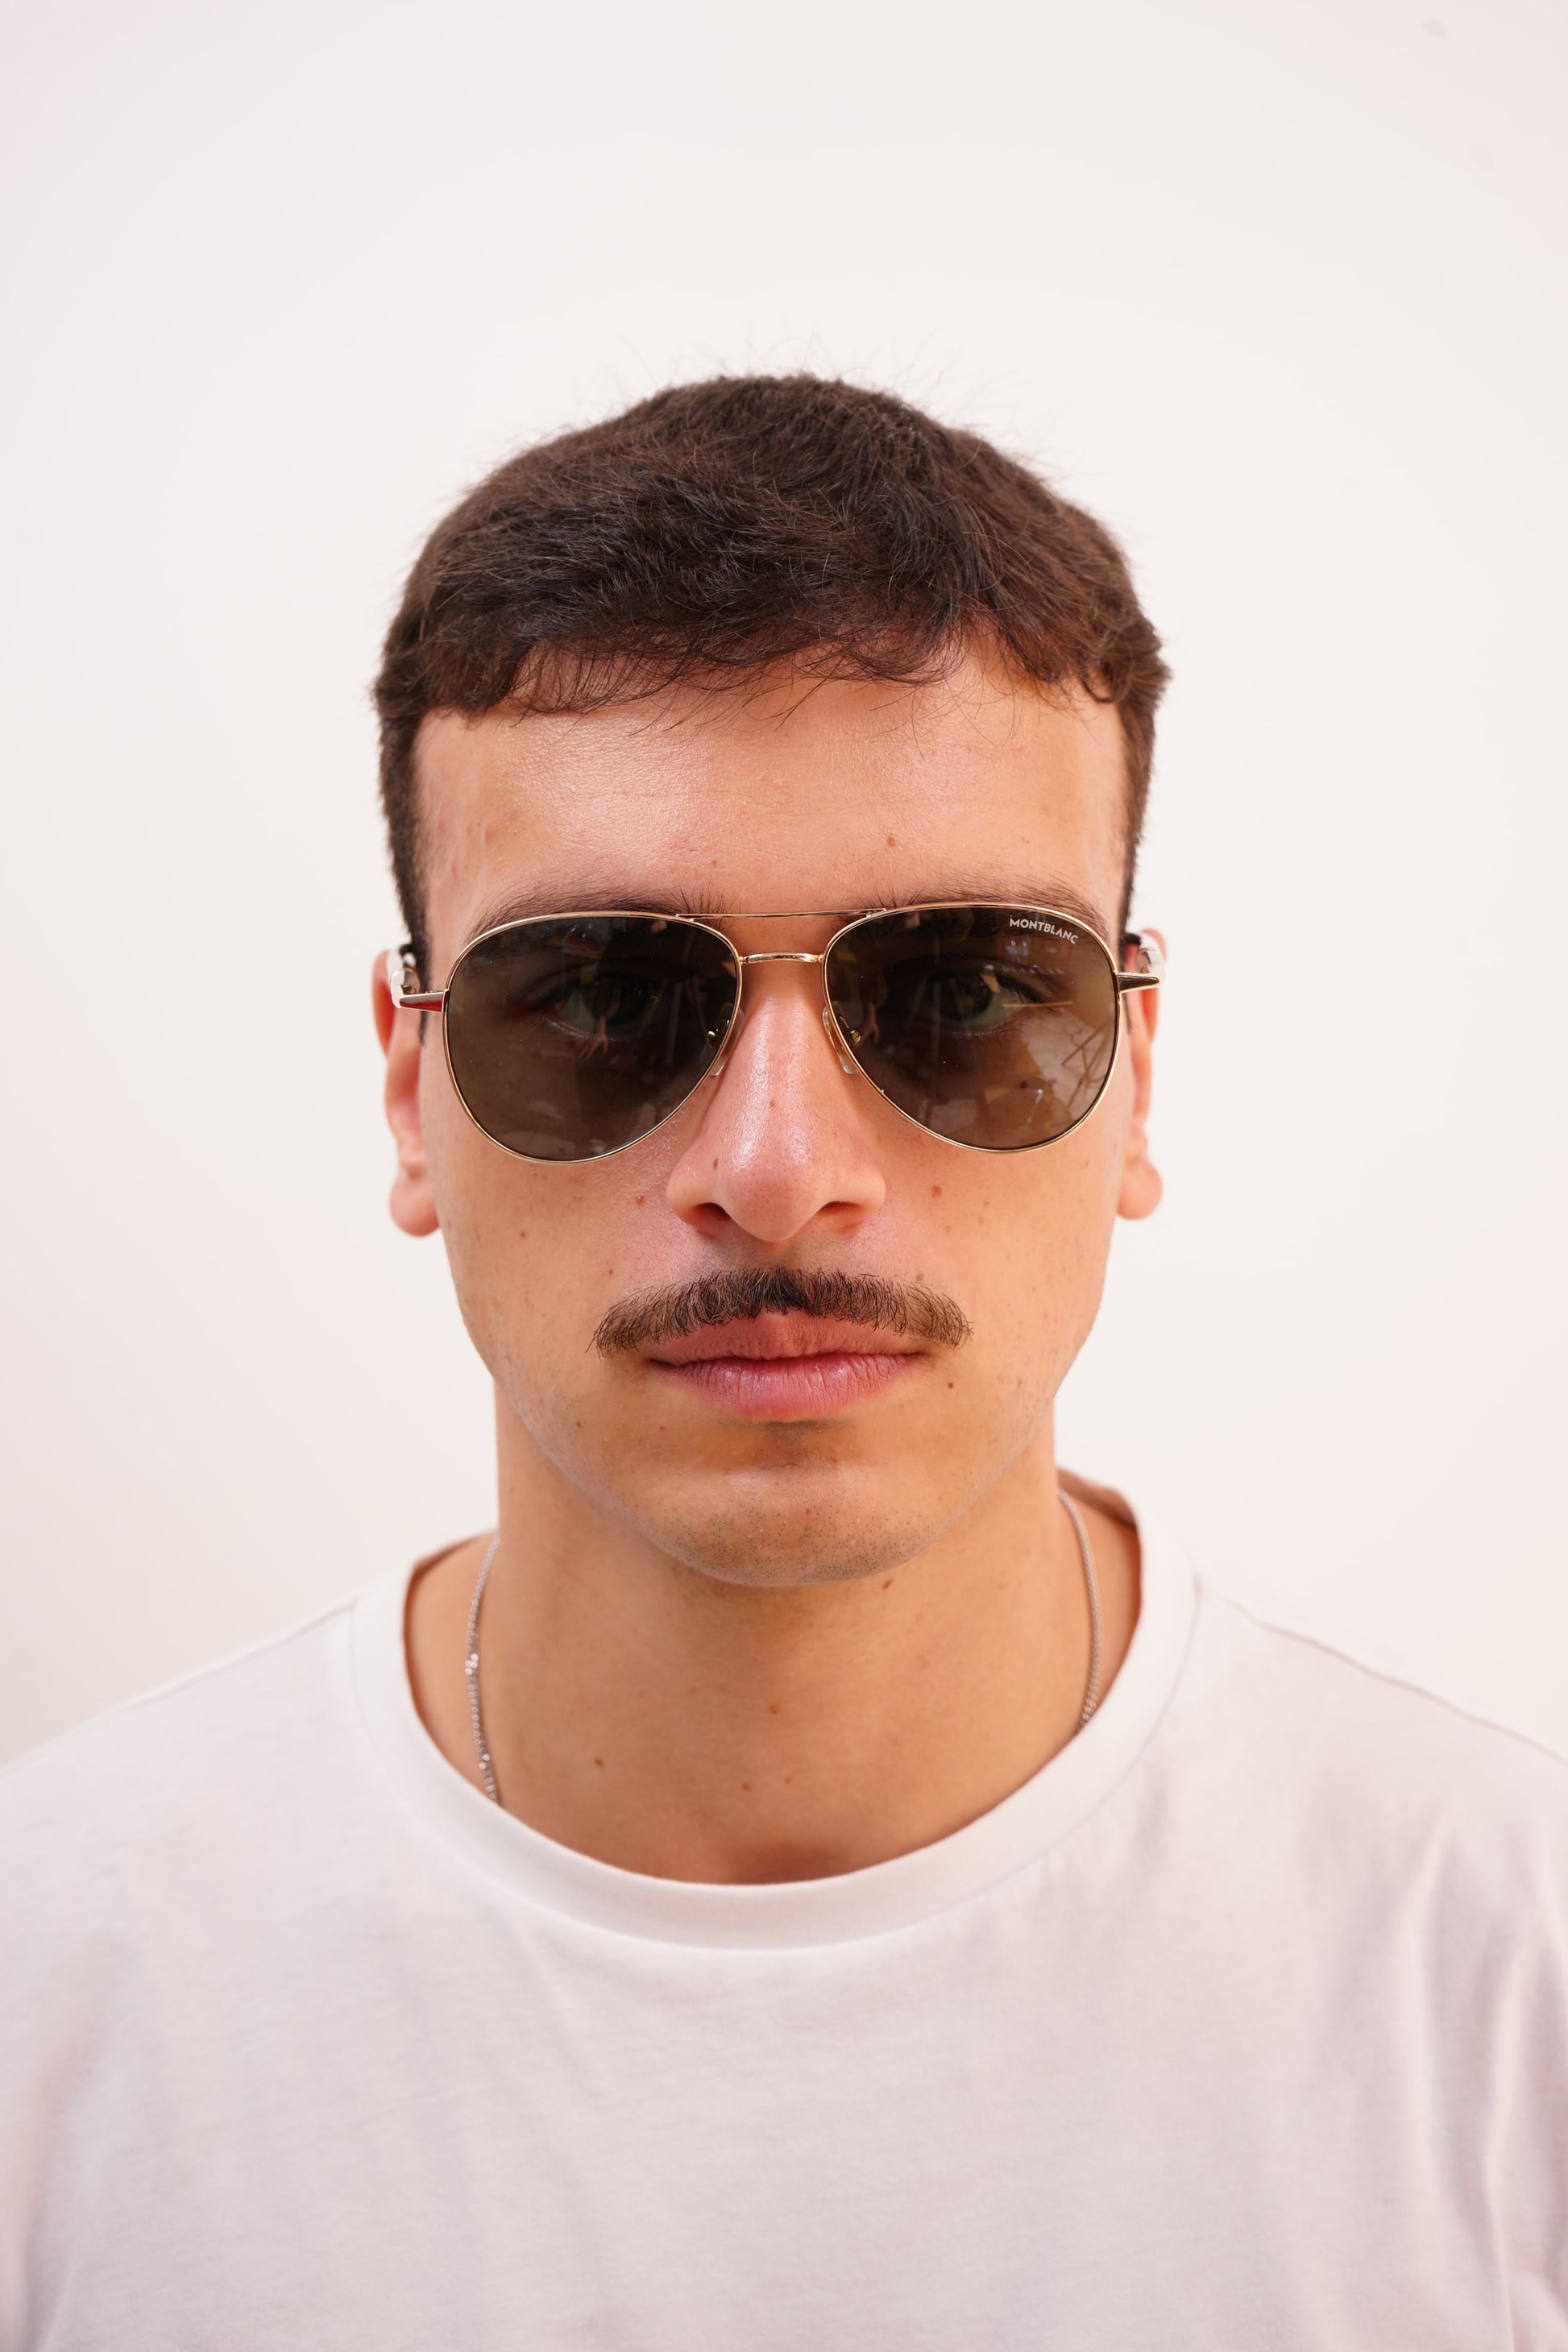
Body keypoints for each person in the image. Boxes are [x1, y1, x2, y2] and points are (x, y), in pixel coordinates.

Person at [2, 375, 1565, 2350]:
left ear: (1134, 1075)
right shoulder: (57, 1986)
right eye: (597, 995)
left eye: (966, 989)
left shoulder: (1507, 1978)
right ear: (411, 1091)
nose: (775, 1167)